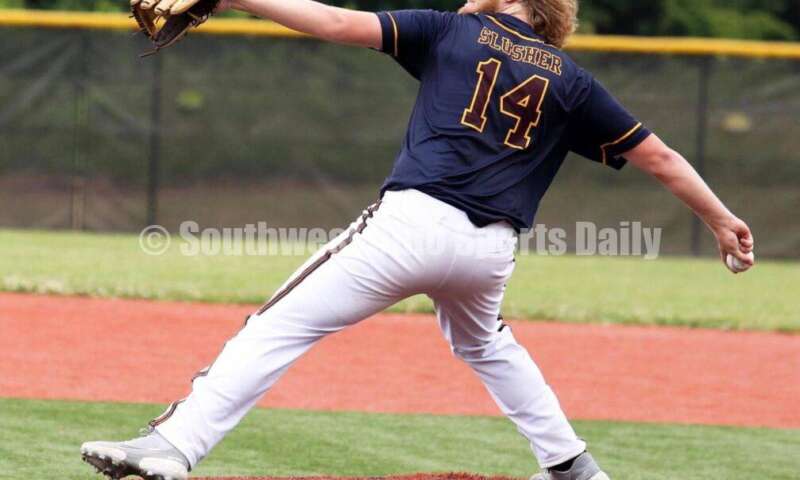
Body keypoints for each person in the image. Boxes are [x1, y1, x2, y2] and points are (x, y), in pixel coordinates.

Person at [81, 0, 755, 479]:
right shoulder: (573, 81)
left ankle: (174, 443)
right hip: (490, 252)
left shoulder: (451, 33)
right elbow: (661, 158)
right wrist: (723, 220)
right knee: (485, 342)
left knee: (275, 326)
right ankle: (571, 465)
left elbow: (339, 22)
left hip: (411, 226)